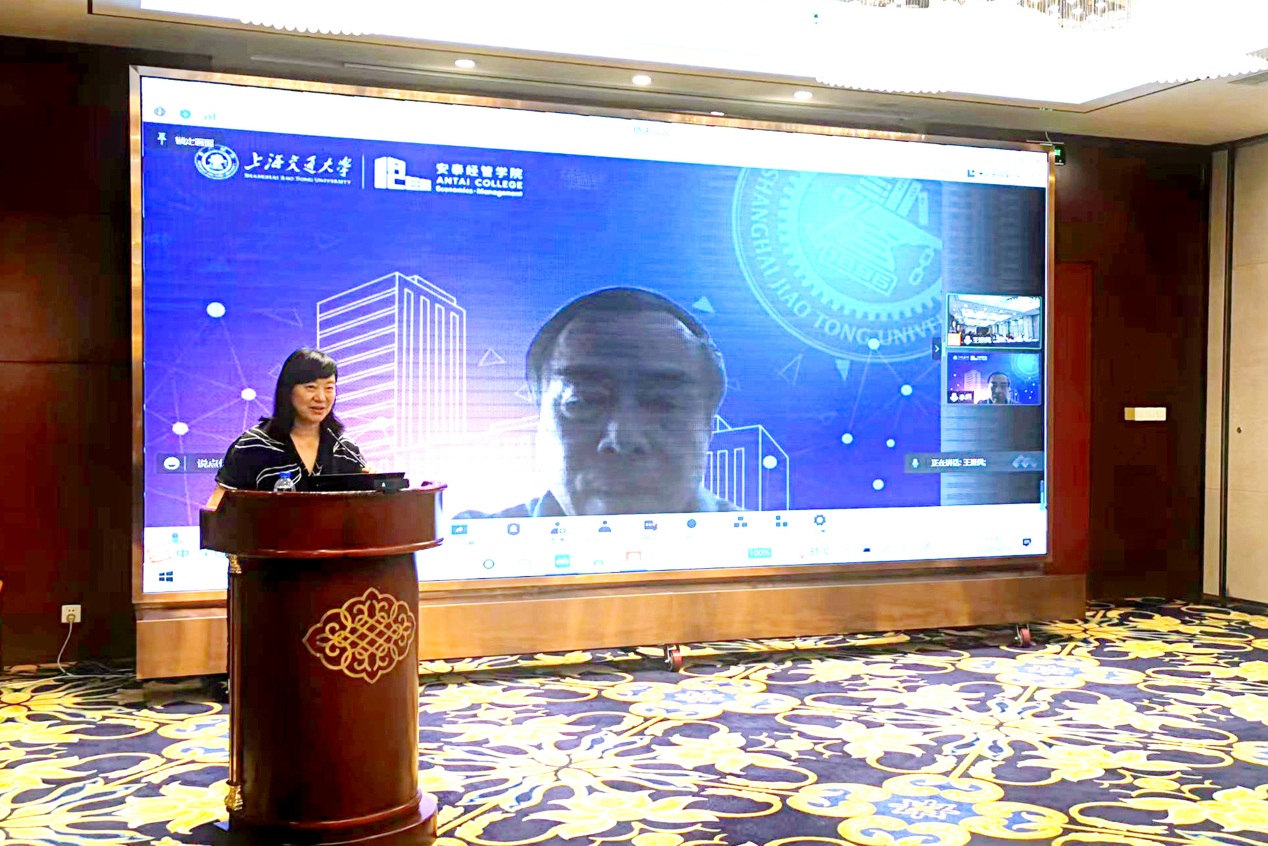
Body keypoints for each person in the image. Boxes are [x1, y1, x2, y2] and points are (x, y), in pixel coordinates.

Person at [460, 287, 738, 518]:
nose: (623, 439)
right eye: (582, 401)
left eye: (664, 403)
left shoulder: (764, 545)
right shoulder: (462, 549)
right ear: (540, 417)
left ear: (708, 426)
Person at [208, 348, 367, 505]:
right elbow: (217, 508)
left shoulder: (344, 449)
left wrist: (372, 484)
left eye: (329, 388)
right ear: (288, 390)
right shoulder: (253, 446)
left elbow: (362, 508)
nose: (321, 397)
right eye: (311, 387)